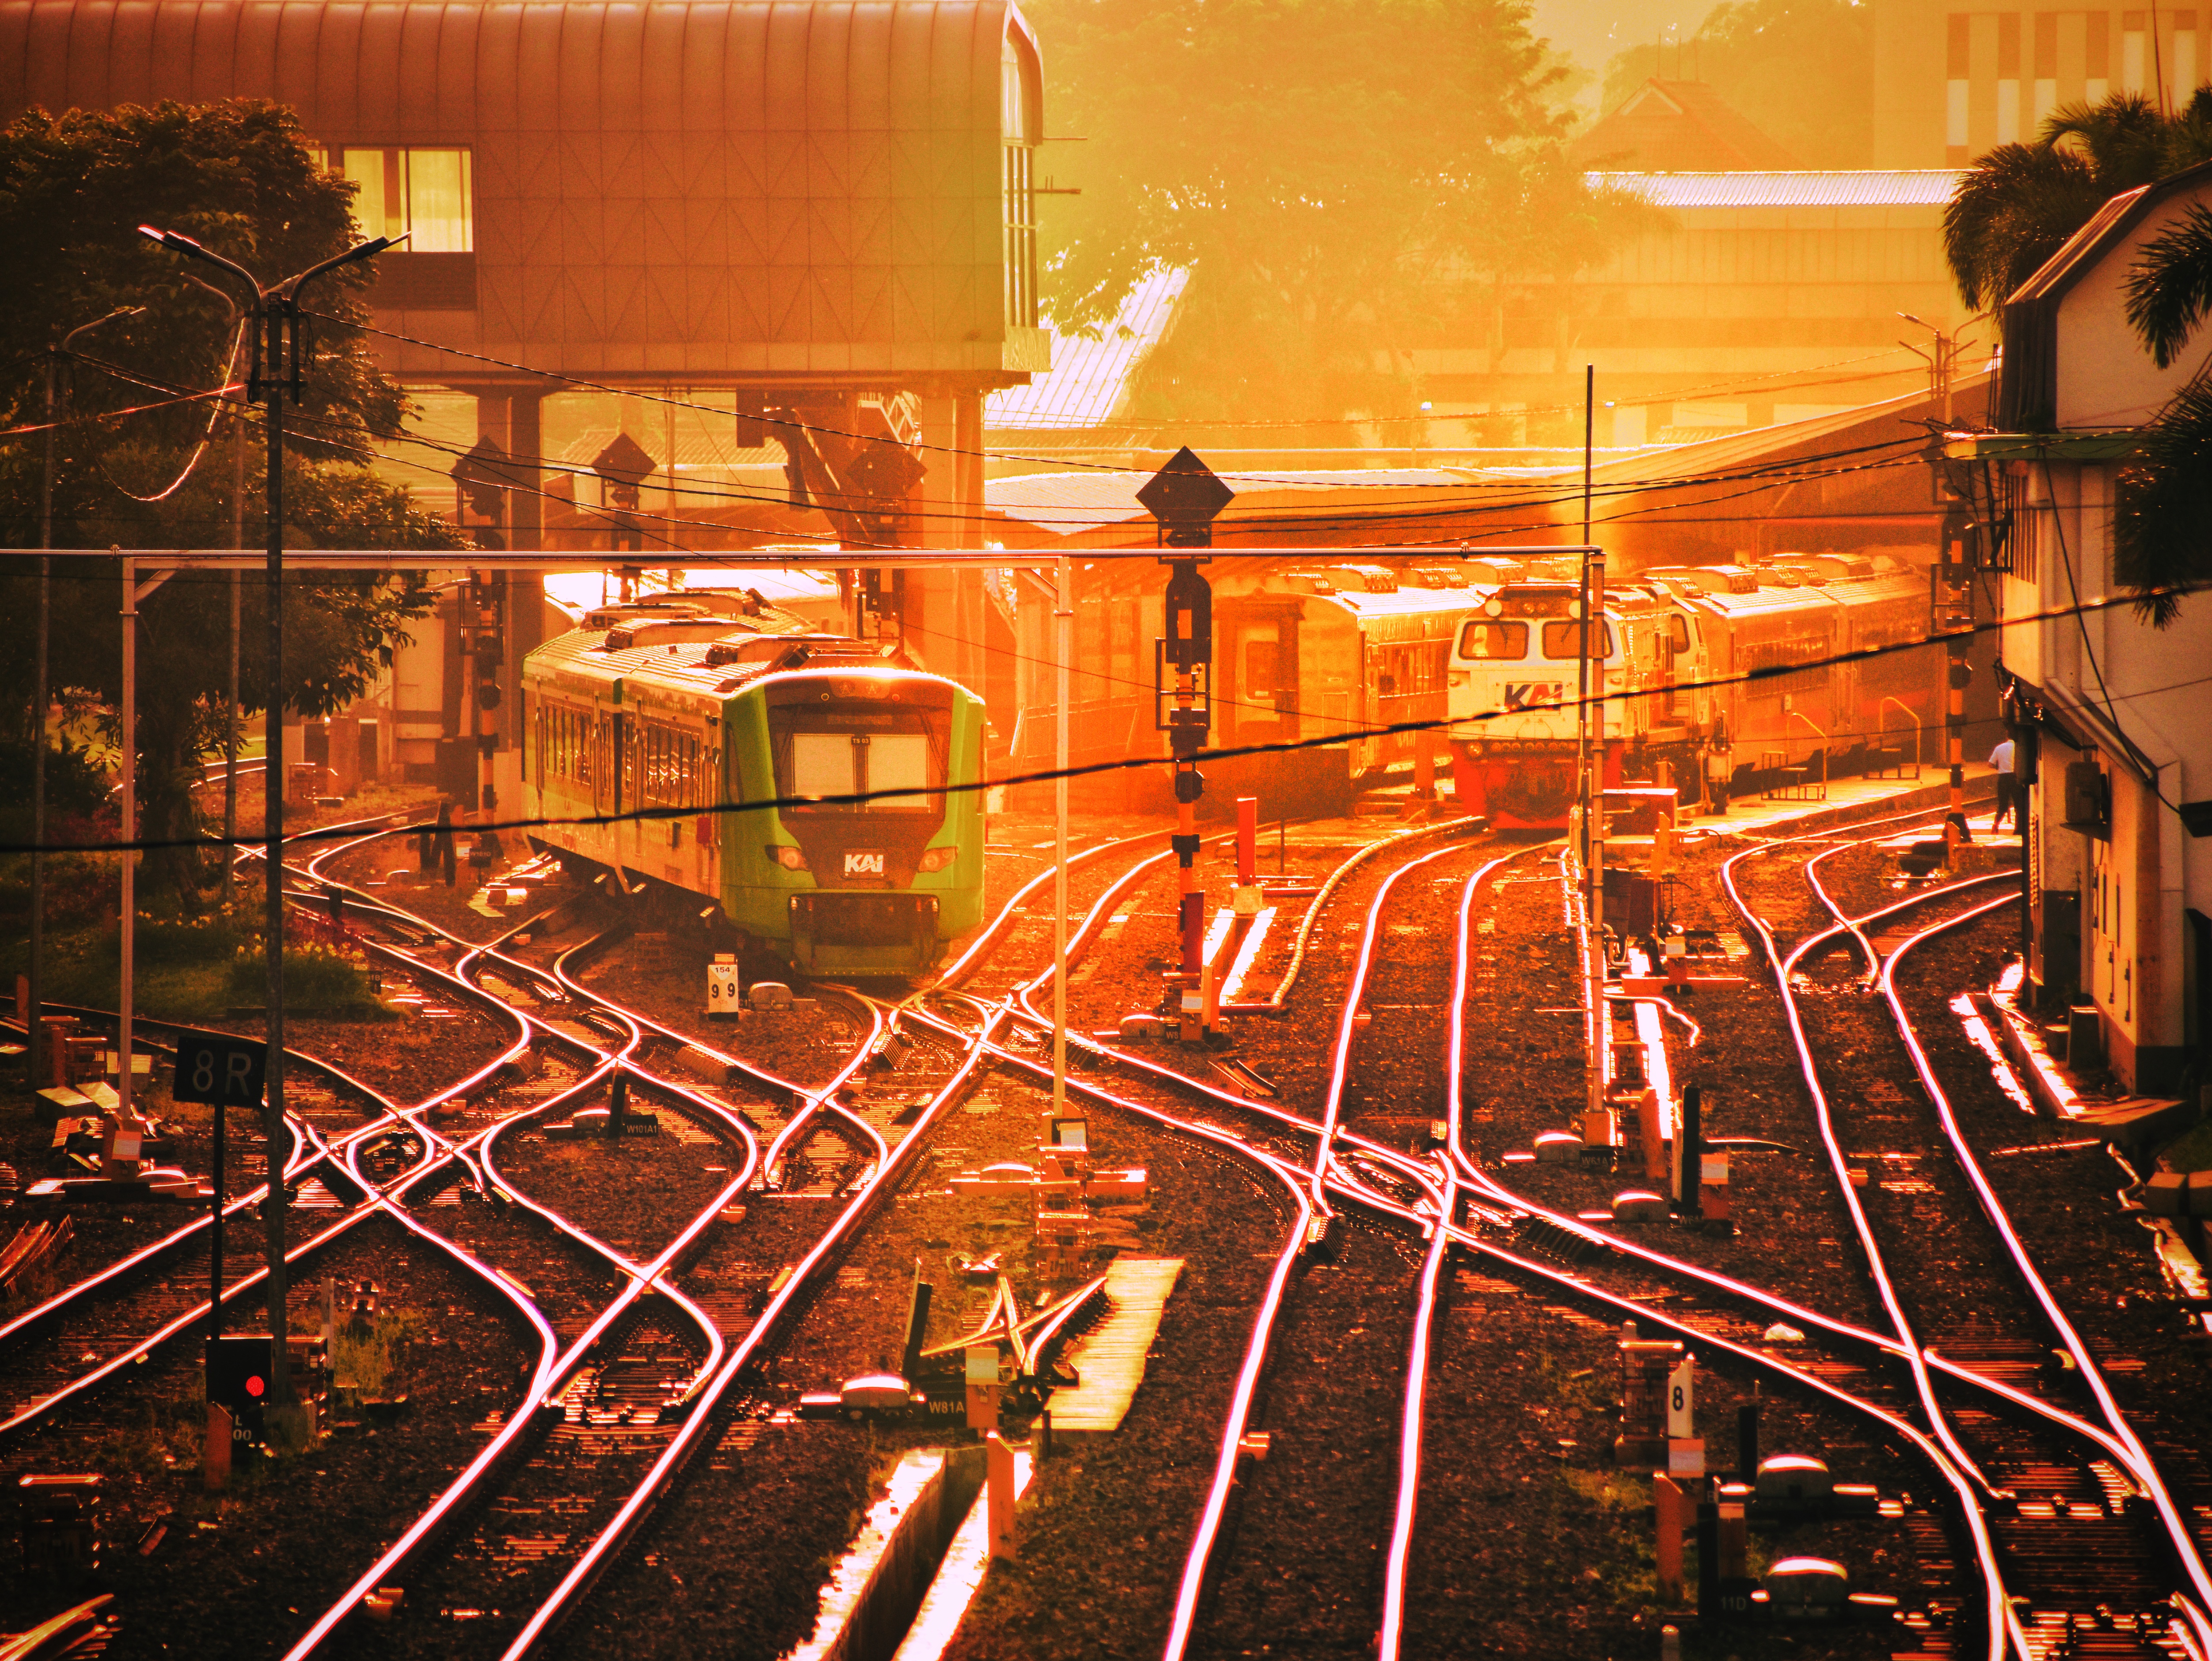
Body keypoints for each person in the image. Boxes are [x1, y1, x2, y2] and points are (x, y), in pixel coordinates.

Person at [1988, 734, 2019, 832]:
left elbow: (1990, 764)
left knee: (2003, 805)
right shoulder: (2018, 748)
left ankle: (1996, 826)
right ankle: (2018, 829)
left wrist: (1999, 767)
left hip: (2003, 779)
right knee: (2019, 805)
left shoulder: (1999, 748)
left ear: (2007, 737)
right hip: (2016, 777)